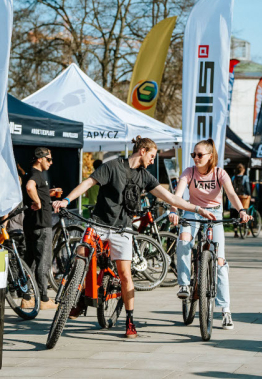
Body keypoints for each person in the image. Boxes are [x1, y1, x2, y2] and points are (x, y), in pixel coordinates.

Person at [52, 136, 217, 339]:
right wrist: (66, 199)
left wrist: (198, 209)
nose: (153, 160)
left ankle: (130, 321)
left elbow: (172, 198)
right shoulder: (112, 166)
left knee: (125, 275)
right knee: (81, 252)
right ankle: (74, 299)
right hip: (99, 222)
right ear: (143, 151)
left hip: (123, 229)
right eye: (152, 156)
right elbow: (88, 183)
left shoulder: (144, 177)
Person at [168, 139, 251, 330]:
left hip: (215, 214)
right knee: (183, 240)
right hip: (192, 212)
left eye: (199, 155)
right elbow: (177, 194)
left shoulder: (219, 173)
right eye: (193, 155)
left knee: (220, 262)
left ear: (210, 156)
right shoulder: (189, 172)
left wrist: (241, 211)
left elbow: (230, 193)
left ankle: (226, 311)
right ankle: (184, 285)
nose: (195, 158)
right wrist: (173, 210)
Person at [22, 147, 62, 310]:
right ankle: (43, 298)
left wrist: (47, 194)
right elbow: (30, 187)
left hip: (32, 223)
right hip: (41, 223)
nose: (51, 162)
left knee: (30, 261)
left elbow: (33, 188)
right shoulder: (35, 174)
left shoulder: (31, 174)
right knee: (44, 261)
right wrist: (38, 202)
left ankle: (27, 297)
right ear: (40, 158)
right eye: (49, 159)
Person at [230, 163, 251, 238]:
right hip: (243, 197)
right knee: (244, 212)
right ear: (243, 170)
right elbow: (248, 187)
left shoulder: (233, 177)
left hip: (235, 197)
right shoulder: (245, 177)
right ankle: (245, 227)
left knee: (234, 214)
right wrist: (249, 195)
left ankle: (235, 231)